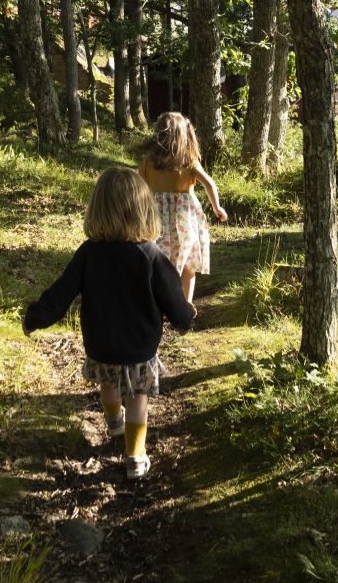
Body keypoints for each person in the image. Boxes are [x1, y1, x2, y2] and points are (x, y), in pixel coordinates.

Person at [23, 167, 194, 480]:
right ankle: (135, 456)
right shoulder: (151, 255)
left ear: (98, 209)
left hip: (101, 343)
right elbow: (173, 296)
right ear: (144, 211)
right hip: (139, 346)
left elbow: (61, 292)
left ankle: (114, 422)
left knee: (108, 386)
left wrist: (36, 317)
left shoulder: (89, 253)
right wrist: (184, 319)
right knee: (138, 398)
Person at [138, 112, 227, 303]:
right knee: (188, 265)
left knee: (156, 263)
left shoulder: (149, 162)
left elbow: (137, 187)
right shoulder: (188, 161)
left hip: (156, 221)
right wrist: (217, 207)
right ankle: (186, 307)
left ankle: (156, 305)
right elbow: (209, 184)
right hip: (184, 221)